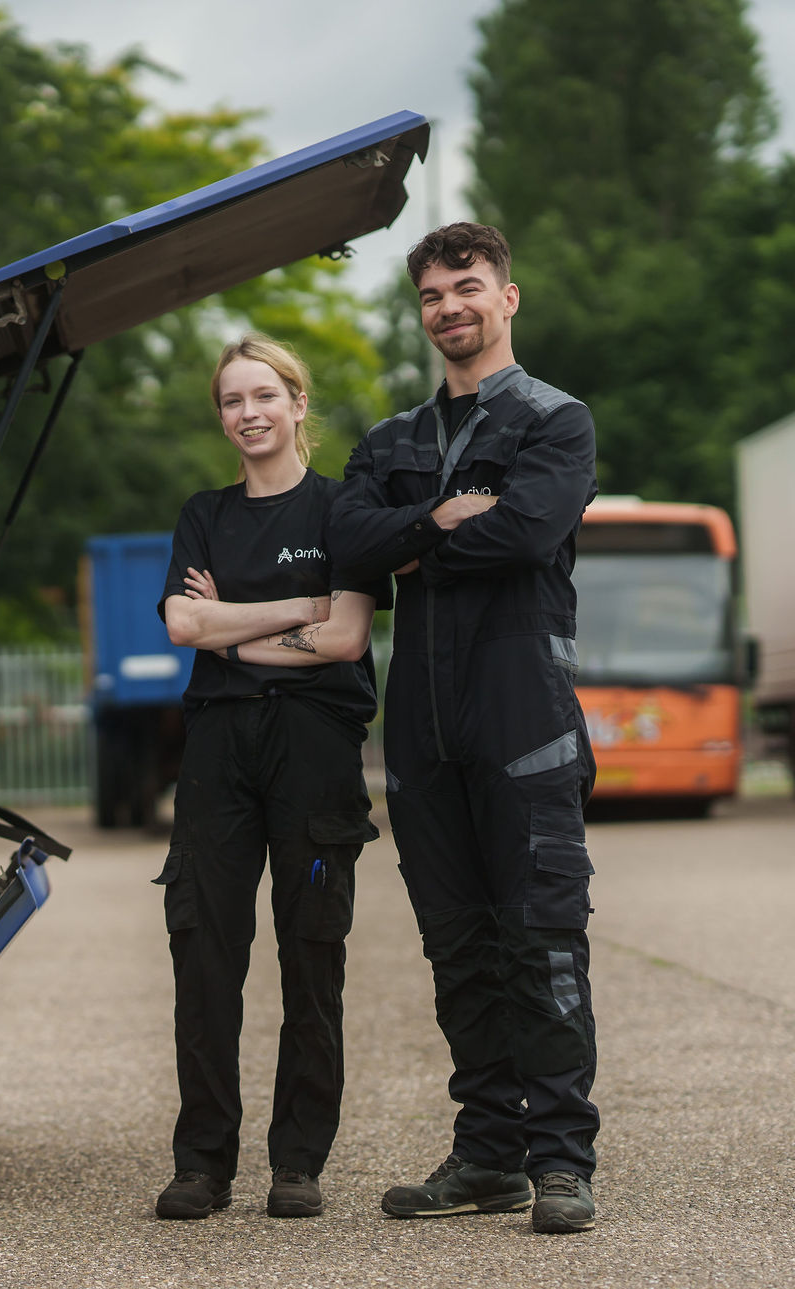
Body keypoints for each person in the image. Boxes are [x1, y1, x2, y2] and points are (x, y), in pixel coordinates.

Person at [326, 223, 602, 1234]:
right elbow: (342, 541)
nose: (450, 307)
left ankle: (561, 1159)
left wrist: (406, 543)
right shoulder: (388, 440)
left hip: (523, 719)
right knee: (458, 948)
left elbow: (526, 532)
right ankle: (488, 1155)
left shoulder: (555, 421)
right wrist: (440, 518)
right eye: (433, 294)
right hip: (421, 733)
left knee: (540, 941)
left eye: (468, 287)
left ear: (506, 298)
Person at [152, 333, 390, 1221]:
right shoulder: (204, 514)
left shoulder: (343, 510)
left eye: (263, 396)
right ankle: (202, 1162)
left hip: (314, 750)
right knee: (204, 956)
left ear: (297, 404)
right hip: (218, 751)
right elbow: (185, 625)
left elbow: (345, 638)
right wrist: (294, 610)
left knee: (311, 952)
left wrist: (232, 627)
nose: (247, 413)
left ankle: (297, 1161)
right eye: (231, 400)